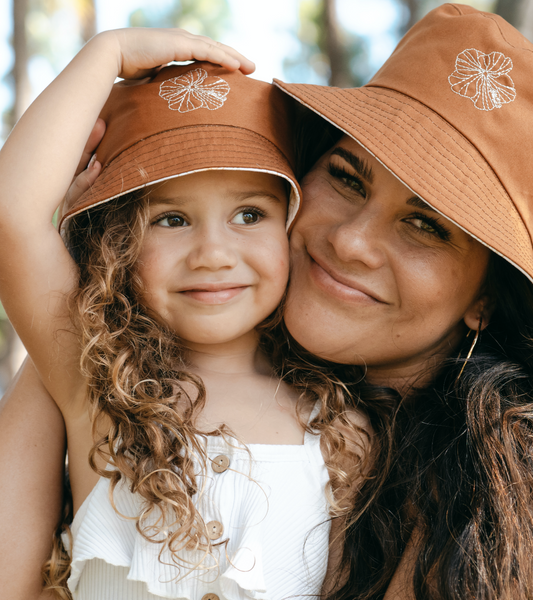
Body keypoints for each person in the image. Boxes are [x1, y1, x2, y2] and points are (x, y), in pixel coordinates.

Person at [3, 3, 533, 599]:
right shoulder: (108, 375)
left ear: (486, 300)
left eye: (426, 225)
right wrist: (91, 260)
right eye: (346, 176)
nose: (350, 240)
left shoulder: (475, 484)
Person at [0, 29, 369, 600]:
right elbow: (13, 214)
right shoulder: (96, 378)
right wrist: (108, 54)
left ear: (293, 229)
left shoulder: (338, 429)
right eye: (171, 219)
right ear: (116, 244)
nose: (215, 255)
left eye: (250, 214)